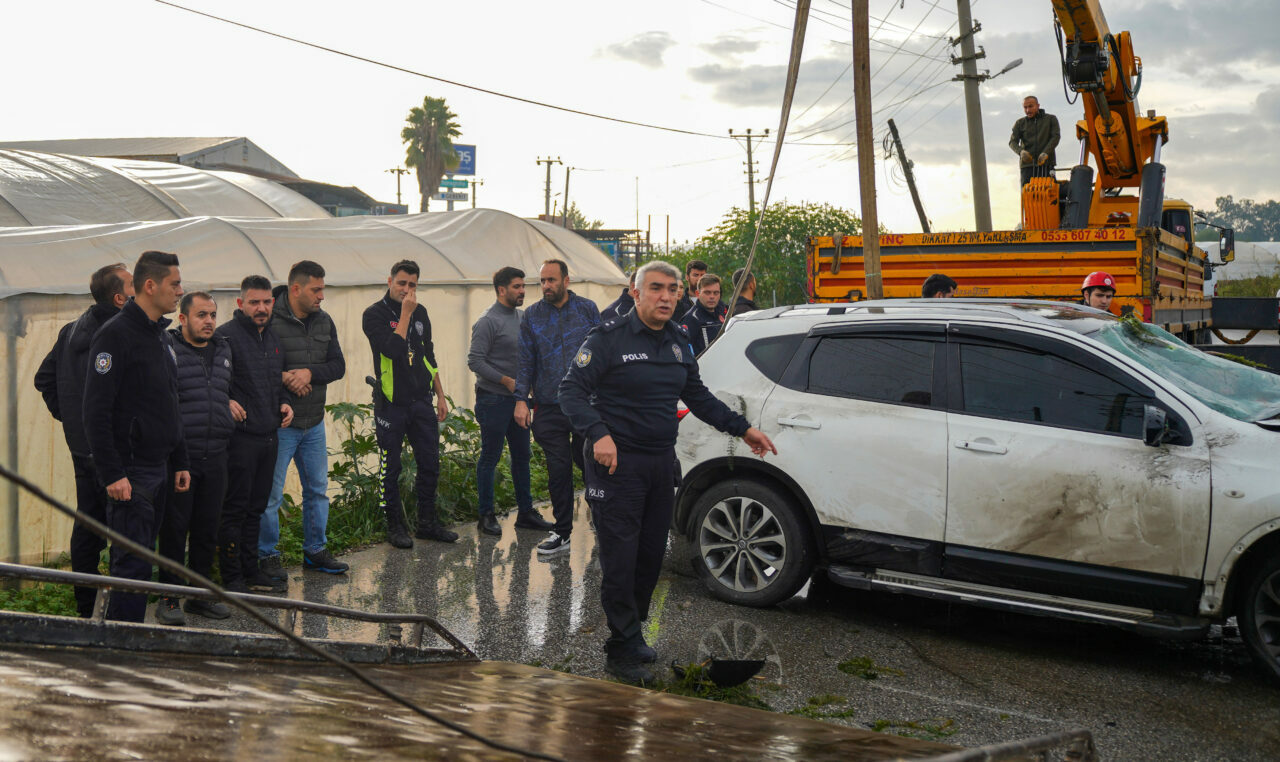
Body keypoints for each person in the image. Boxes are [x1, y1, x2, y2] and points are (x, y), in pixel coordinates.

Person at [559, 260, 777, 685]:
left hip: (660, 464)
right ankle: (620, 649)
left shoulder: (678, 341)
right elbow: (570, 392)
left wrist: (743, 429)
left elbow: (698, 397)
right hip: (616, 465)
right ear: (636, 292)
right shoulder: (607, 339)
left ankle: (632, 631)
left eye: (672, 289)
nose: (665, 296)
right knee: (621, 560)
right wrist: (598, 434)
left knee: (649, 557)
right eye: (656, 288)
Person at [81, 251, 190, 622]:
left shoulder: (160, 336)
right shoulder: (115, 335)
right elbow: (95, 412)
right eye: (175, 284)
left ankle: (132, 638)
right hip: (130, 472)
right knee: (131, 567)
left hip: (159, 467)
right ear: (151, 286)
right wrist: (113, 473)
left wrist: (180, 459)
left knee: (144, 564)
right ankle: (122, 643)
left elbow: (170, 402)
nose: (180, 291)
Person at [34, 263, 134, 618]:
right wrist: (81, 420)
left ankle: (86, 605)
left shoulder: (71, 331)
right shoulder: (120, 333)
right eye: (134, 284)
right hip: (116, 450)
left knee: (89, 525)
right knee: (124, 528)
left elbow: (44, 380)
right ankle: (121, 611)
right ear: (119, 298)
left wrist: (75, 423)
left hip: (83, 448)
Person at [260, 260, 349, 578]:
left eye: (322, 289)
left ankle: (315, 550)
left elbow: (338, 366)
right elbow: (253, 364)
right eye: (316, 290)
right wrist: (286, 377)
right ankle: (266, 555)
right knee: (270, 495)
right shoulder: (268, 318)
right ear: (295, 289)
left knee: (317, 490)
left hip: (313, 422)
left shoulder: (324, 321)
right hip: (280, 424)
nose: (321, 296)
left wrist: (310, 373)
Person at [363, 260, 458, 548]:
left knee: (430, 463)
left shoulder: (422, 313)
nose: (407, 289)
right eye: (402, 283)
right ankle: (394, 526)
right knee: (390, 468)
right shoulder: (374, 314)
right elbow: (392, 350)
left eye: (412, 285)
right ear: (389, 281)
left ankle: (427, 523)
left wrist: (440, 395)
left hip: (421, 401)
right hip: (391, 403)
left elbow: (429, 356)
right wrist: (405, 313)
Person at [155, 291, 235, 624]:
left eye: (213, 315)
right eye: (202, 315)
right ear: (183, 318)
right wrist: (177, 458)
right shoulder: (168, 348)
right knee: (175, 531)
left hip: (216, 454)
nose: (209, 321)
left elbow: (225, 390)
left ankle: (200, 597)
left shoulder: (223, 349)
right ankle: (168, 598)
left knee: (207, 530)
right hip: (180, 458)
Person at [514, 259, 601, 555]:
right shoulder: (532, 315)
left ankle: (603, 518)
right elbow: (525, 360)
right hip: (549, 406)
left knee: (591, 464)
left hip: (584, 402)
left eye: (551, 280)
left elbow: (602, 353)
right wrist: (521, 400)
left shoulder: (586, 309)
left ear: (566, 280)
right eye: (542, 281)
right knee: (558, 468)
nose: (546, 286)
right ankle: (562, 532)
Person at [216, 275, 293, 594]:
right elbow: (209, 380)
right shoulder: (225, 337)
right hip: (240, 439)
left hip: (269, 436)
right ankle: (232, 577)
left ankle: (251, 571)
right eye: (254, 302)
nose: (261, 308)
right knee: (234, 509)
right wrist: (225, 400)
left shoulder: (273, 338)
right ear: (240, 303)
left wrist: (285, 403)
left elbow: (276, 382)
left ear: (272, 303)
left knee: (256, 508)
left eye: (266, 302)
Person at [467, 267, 554, 537]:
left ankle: (525, 512)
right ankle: (486, 515)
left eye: (523, 286)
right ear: (501, 289)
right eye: (517, 287)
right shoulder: (487, 321)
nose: (522, 291)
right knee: (490, 457)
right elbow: (475, 360)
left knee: (522, 455)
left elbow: (530, 355)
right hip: (493, 400)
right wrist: (505, 380)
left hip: (519, 400)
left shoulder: (523, 317)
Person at [1010, 95, 1061, 188]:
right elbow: (1012, 142)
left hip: (1047, 165)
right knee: (1027, 193)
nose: (1028, 110)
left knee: (1049, 193)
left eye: (1030, 106)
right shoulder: (1020, 123)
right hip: (1027, 167)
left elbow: (1055, 137)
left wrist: (1045, 153)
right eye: (1025, 107)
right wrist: (1021, 152)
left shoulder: (1051, 119)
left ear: (1038, 106)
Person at [681, 272, 728, 356]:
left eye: (716, 293)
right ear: (697, 294)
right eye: (707, 292)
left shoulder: (723, 313)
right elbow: (682, 352)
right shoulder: (692, 318)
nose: (712, 296)